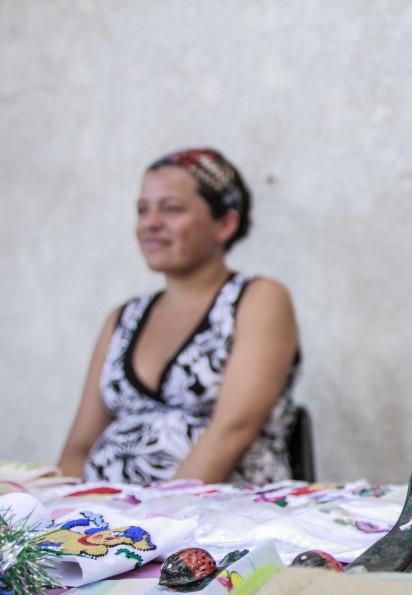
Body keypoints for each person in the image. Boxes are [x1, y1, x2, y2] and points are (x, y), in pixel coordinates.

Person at [57, 148, 301, 485]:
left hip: (216, 522)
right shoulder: (123, 318)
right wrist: (59, 519)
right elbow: (79, 448)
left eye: (171, 209)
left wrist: (153, 523)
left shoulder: (258, 299)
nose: (150, 223)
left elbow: (233, 430)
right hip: (108, 527)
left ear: (226, 223)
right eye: (142, 210)